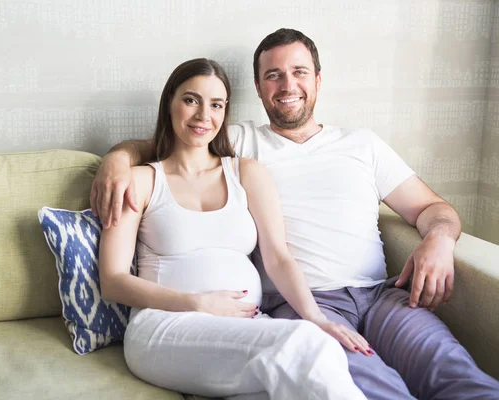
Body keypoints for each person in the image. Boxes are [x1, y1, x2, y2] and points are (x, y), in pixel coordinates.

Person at [93, 29, 499, 399]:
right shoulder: (234, 140)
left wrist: (439, 239)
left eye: (299, 72)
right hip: (303, 302)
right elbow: (164, 145)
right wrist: (116, 161)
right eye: (273, 75)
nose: (288, 85)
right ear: (258, 86)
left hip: (381, 295)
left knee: (455, 372)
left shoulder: (363, 145)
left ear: (318, 80)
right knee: (370, 384)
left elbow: (433, 208)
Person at [98, 57, 367, 400]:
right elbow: (113, 281)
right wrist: (193, 303)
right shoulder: (140, 181)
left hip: (244, 326)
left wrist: (316, 317)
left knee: (321, 349)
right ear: (170, 103)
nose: (203, 116)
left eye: (216, 105)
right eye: (191, 100)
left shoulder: (248, 174)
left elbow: (278, 257)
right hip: (164, 327)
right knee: (303, 346)